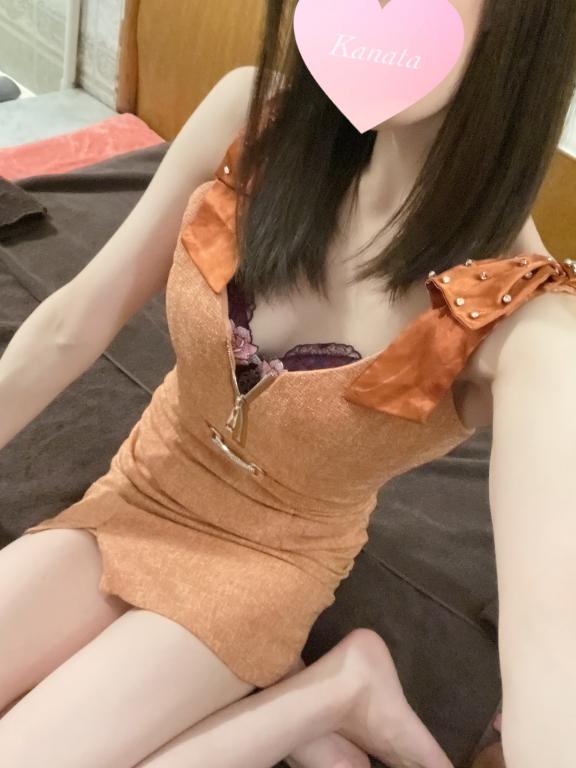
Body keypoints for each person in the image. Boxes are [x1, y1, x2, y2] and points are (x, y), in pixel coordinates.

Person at [1, 0, 576, 766]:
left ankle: (333, 692)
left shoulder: (527, 325)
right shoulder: (250, 119)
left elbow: (550, 641)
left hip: (262, 570)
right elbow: (72, 323)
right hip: (140, 491)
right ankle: (334, 694)